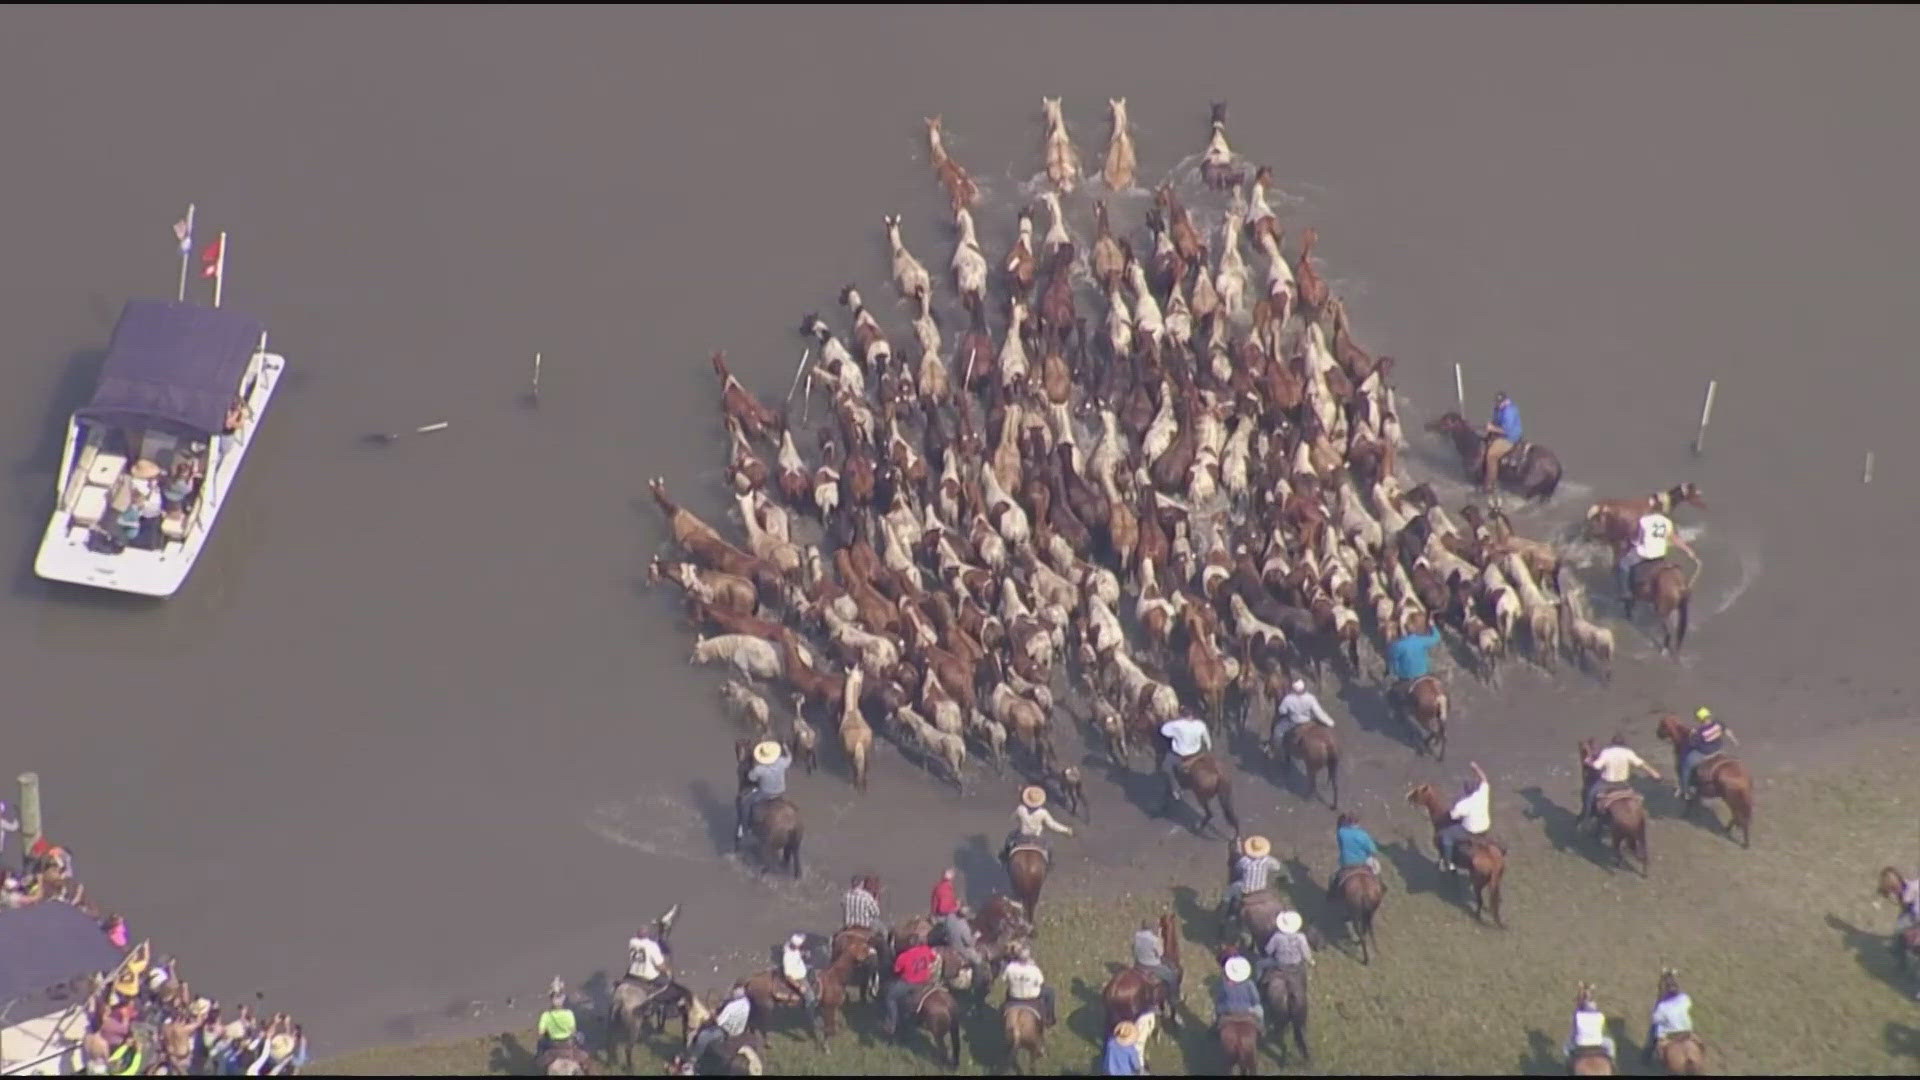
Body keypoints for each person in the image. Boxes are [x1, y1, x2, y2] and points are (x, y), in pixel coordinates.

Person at [1617, 501, 1697, 603]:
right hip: (1659, 554)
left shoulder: (1644, 520)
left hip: (1645, 554)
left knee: (1623, 565)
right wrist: (1688, 550)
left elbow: (1636, 539)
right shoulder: (1666, 522)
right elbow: (1674, 538)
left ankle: (1625, 594)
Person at [1580, 734, 1661, 828]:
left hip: (1606, 784)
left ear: (1612, 743)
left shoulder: (1607, 752)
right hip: (1623, 784)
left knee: (1589, 795)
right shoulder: (1628, 752)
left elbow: (1597, 766)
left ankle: (1586, 819)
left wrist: (1588, 761)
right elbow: (1641, 764)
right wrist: (1655, 773)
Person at [1434, 761, 1494, 873]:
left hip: (1470, 831)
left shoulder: (1463, 804)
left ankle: (1448, 863)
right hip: (1485, 827)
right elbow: (1484, 779)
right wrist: (1476, 768)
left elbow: (1453, 816)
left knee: (1447, 835)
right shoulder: (1483, 792)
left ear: (1466, 791)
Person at [1217, 835, 1283, 923]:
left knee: (1230, 890)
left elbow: (1237, 869)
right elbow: (1277, 867)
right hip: (1260, 888)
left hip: (1245, 889)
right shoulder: (1268, 860)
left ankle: (1223, 906)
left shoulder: (1244, 861)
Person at [1003, 786, 1075, 862]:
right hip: (1036, 837)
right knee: (1049, 845)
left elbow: (1012, 818)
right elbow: (1052, 825)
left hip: (1022, 836)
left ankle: (1005, 856)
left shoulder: (1020, 808)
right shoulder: (1043, 812)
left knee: (1009, 838)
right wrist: (1066, 830)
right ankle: (1049, 862)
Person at [736, 740, 791, 842]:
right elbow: (789, 758)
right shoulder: (781, 762)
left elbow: (750, 777)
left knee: (745, 802)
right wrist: (785, 747)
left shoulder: (760, 769)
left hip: (765, 794)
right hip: (780, 791)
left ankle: (744, 828)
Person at [884, 939, 941, 1037]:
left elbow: (896, 971)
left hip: (908, 983)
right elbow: (934, 957)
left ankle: (892, 1023)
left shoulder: (903, 956)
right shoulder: (925, 949)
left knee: (890, 997)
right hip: (925, 982)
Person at [1676, 707, 1736, 799]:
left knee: (1686, 765)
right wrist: (1734, 740)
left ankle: (1685, 790)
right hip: (1719, 749)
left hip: (1705, 754)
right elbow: (1727, 731)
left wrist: (1692, 735)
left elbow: (1693, 744)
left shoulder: (1700, 731)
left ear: (1700, 719)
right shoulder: (1718, 723)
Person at [1385, 622, 1443, 713]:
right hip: (1425, 673)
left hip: (1408, 678)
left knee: (1391, 695)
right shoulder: (1421, 640)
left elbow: (1391, 657)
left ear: (1404, 632)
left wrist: (1395, 671)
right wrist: (1432, 625)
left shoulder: (1398, 646)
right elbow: (1437, 637)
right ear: (1415, 631)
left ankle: (1399, 716)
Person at [687, 986, 752, 1067]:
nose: (732, 992)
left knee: (703, 1036)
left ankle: (692, 1060)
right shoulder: (747, 1002)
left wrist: (712, 1013)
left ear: (736, 990)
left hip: (726, 1032)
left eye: (734, 990)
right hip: (739, 1030)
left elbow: (719, 1022)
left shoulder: (732, 1006)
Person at [1158, 715, 1212, 805]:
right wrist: (1208, 749)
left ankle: (1175, 788)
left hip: (1179, 755)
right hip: (1196, 753)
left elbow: (1163, 731)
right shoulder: (1200, 724)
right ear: (1192, 715)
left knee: (1166, 766)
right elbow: (1207, 740)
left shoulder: (1176, 724)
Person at [1255, 909, 1313, 993]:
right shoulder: (1301, 937)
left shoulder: (1277, 936)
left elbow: (1268, 950)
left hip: (1279, 963)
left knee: (1259, 964)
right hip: (1296, 963)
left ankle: (1258, 985)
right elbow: (1305, 952)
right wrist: (1310, 960)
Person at [1643, 970, 1694, 1064]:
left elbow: (1655, 1019)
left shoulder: (1662, 1006)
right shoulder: (1684, 998)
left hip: (1670, 1034)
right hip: (1686, 1031)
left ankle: (1647, 1057)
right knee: (1698, 1043)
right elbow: (1689, 1005)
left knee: (1653, 1035)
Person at [1001, 941, 1056, 1028]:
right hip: (1032, 996)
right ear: (1028, 957)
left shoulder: (1010, 967)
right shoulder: (1034, 969)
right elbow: (1041, 982)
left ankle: (1002, 1017)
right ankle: (1049, 1019)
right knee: (1050, 992)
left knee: (1006, 996)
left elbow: (1004, 980)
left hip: (1014, 996)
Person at [1329, 813, 1381, 899]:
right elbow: (1373, 850)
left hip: (1346, 863)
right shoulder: (1363, 834)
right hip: (1362, 862)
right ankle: (1382, 888)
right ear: (1358, 821)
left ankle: (1332, 895)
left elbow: (1340, 844)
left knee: (1333, 878)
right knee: (1377, 872)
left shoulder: (1341, 832)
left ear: (1348, 821)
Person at [1482, 391, 1524, 492]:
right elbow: (1496, 421)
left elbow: (1506, 430)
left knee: (1491, 455)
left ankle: (1491, 485)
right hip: (1499, 434)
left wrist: (1492, 428)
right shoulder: (1498, 409)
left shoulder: (1508, 411)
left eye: (1500, 402)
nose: (1498, 404)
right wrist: (1490, 425)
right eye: (1497, 402)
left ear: (1506, 401)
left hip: (1509, 438)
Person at [1273, 679, 1335, 745]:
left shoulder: (1288, 699)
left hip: (1294, 722)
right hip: (1309, 720)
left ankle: (1278, 751)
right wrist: (1330, 723)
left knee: (1277, 731)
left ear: (1293, 688)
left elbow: (1282, 711)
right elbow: (1319, 713)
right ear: (1303, 687)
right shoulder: (1310, 697)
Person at [1564, 987, 1615, 1064]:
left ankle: (1569, 1063)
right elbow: (1603, 1030)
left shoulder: (1578, 1015)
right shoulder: (1599, 1016)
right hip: (1598, 1041)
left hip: (1581, 1042)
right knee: (1610, 1044)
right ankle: (1611, 1062)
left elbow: (1575, 1032)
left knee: (1566, 1047)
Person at [1132, 919, 1180, 1000]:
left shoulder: (1137, 936)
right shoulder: (1154, 939)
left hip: (1139, 964)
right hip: (1153, 965)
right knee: (1172, 976)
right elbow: (1160, 953)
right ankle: (1174, 997)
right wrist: (1159, 937)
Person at [1214, 955, 1264, 1027]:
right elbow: (1256, 999)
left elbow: (1220, 998)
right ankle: (1261, 1029)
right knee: (1260, 1012)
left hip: (1228, 1008)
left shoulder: (1225, 983)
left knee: (1216, 1011)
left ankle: (1215, 1027)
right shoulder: (1249, 983)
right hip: (1247, 1009)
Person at [779, 932, 818, 1011]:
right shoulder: (788, 957)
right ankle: (810, 1015)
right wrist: (799, 986)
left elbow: (797, 954)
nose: (801, 946)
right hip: (798, 977)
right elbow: (788, 976)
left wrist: (803, 954)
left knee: (814, 970)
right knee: (810, 997)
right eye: (800, 945)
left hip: (802, 969)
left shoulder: (794, 948)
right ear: (796, 945)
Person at [534, 990, 579, 1055]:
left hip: (552, 1043)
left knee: (540, 1045)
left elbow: (541, 1033)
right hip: (568, 1042)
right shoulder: (569, 1013)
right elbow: (573, 1030)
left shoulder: (545, 1015)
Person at [626, 927, 669, 991]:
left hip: (632, 973)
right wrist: (667, 971)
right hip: (647, 976)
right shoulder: (652, 945)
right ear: (648, 935)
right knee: (666, 983)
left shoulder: (632, 942)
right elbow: (659, 966)